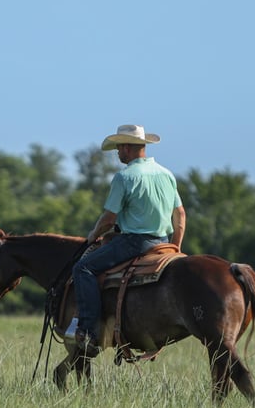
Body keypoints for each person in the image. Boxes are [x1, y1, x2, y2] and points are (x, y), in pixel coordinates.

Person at [72, 124, 186, 355]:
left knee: (83, 268)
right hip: (163, 242)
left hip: (134, 243)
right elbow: (181, 216)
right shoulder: (166, 174)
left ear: (127, 147)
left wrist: (94, 235)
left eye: (118, 148)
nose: (117, 153)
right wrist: (175, 247)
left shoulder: (124, 177)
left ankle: (89, 332)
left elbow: (108, 219)